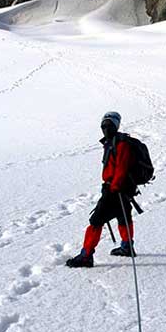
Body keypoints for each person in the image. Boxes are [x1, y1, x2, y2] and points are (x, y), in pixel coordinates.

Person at [66, 111, 138, 268]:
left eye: (109, 125)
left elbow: (122, 167)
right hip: (122, 189)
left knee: (96, 221)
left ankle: (86, 256)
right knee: (123, 216)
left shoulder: (121, 144)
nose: (105, 128)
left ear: (116, 125)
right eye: (103, 125)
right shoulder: (112, 142)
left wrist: (114, 187)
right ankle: (127, 246)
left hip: (115, 189)